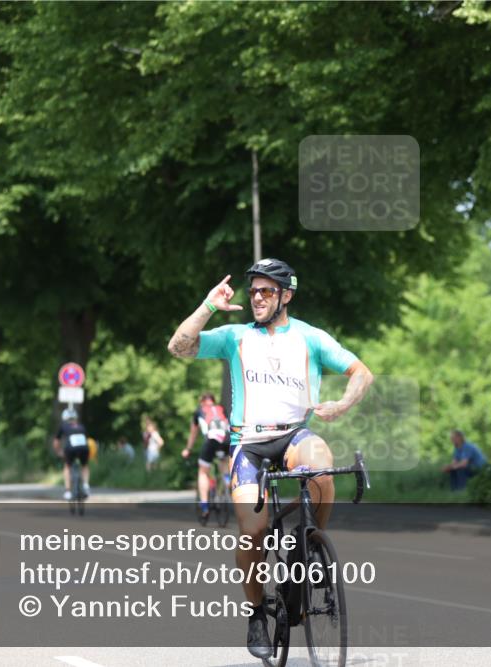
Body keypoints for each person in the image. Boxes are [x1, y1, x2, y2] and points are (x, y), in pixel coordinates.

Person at [167, 258, 374, 659]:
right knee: (254, 530)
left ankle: (308, 546)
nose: (257, 298)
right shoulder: (235, 336)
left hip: (295, 434)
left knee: (322, 464)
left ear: (286, 295)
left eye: (266, 291)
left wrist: (343, 403)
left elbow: (361, 373)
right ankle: (257, 611)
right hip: (250, 444)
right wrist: (208, 306)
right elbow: (178, 347)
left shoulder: (310, 337)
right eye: (254, 291)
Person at [181, 392, 231, 519]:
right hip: (226, 439)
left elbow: (193, 434)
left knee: (203, 472)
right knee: (224, 463)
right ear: (213, 401)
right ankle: (226, 483)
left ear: (201, 401)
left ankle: (204, 506)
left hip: (211, 440)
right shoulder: (221, 408)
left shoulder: (198, 411)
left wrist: (188, 449)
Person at [53, 407, 91, 501]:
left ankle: (68, 492)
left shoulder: (63, 425)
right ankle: (86, 484)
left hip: (70, 449)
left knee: (67, 467)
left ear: (64, 418)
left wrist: (59, 452)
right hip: (84, 448)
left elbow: (56, 442)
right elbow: (87, 440)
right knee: (85, 465)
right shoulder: (81, 426)